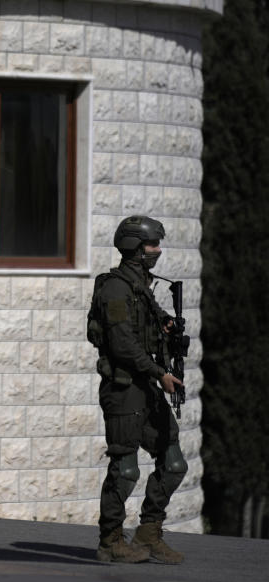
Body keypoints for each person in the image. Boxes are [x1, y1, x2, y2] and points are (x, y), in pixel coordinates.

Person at [87, 215, 188, 564]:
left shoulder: (142, 286)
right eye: (152, 245)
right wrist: (160, 373)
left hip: (146, 386)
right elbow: (122, 344)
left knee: (173, 461)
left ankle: (149, 532)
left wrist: (167, 325)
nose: (158, 251)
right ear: (135, 247)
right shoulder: (115, 288)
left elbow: (153, 320)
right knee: (126, 468)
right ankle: (111, 540)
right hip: (124, 389)